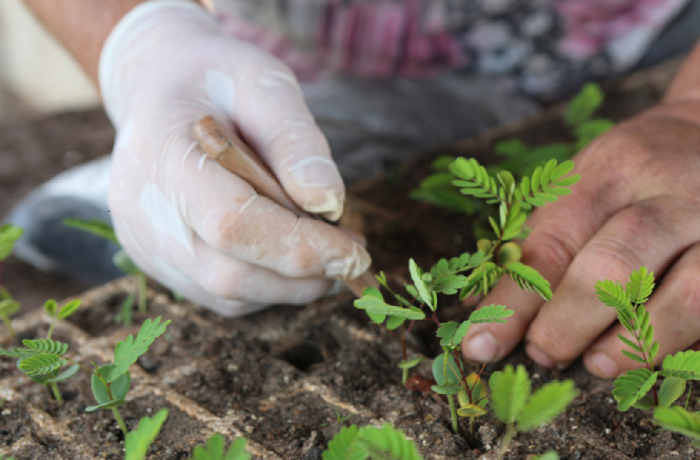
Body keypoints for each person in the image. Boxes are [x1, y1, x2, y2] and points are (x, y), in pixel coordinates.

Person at [13, 0, 700, 380]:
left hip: (650, 36)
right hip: (318, 62)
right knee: (277, 201)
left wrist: (690, 110)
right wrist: (142, 40)